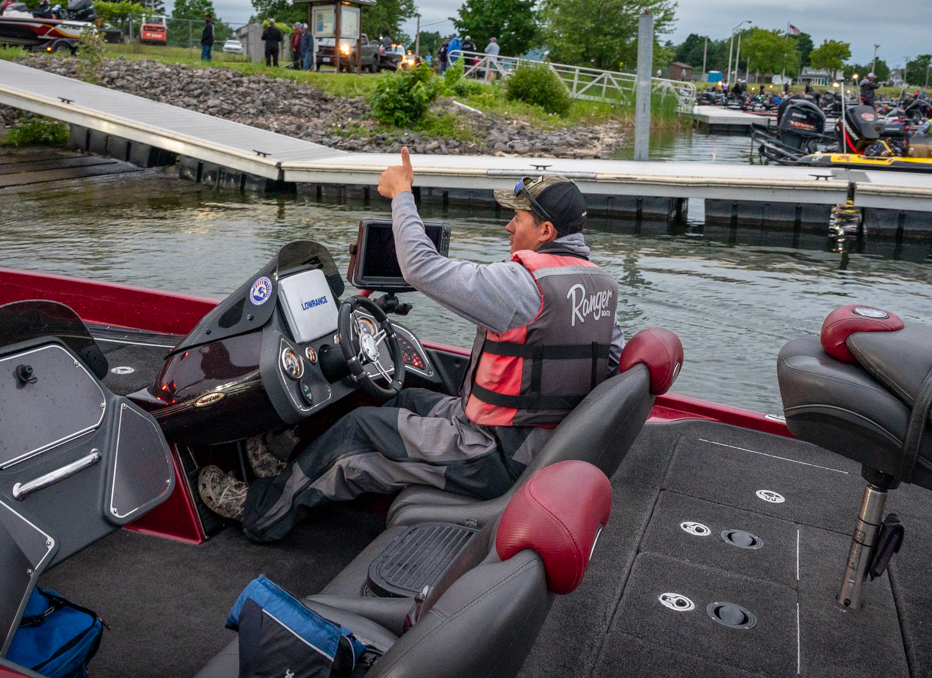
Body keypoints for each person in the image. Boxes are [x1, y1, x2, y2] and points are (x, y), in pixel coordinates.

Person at [197, 153, 625, 543]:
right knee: (405, 399)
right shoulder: (600, 287)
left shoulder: (523, 285)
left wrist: (402, 195)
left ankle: (261, 512)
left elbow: (420, 267)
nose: (508, 227)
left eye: (518, 218)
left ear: (546, 231)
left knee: (360, 430)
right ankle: (289, 470)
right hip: (532, 445)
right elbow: (605, 363)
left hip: (492, 454)